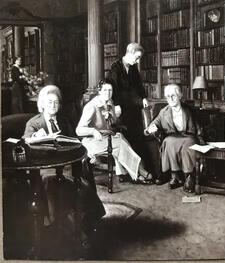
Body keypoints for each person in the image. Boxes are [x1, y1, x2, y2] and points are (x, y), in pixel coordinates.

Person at [23, 85, 105, 246]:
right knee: (52, 181)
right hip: (45, 167)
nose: (53, 105)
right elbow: (25, 141)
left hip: (67, 164)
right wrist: (34, 136)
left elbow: (75, 141)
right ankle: (60, 226)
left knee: (80, 181)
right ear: (42, 105)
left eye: (56, 102)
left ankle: (84, 221)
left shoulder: (64, 120)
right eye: (50, 102)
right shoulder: (34, 123)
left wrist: (86, 153)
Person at [76, 78, 153, 184]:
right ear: (99, 91)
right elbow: (79, 130)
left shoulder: (110, 103)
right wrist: (93, 131)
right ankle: (140, 172)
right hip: (92, 141)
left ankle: (124, 173)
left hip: (105, 138)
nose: (108, 93)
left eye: (110, 90)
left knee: (122, 138)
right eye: (105, 90)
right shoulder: (91, 106)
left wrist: (114, 119)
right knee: (120, 143)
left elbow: (111, 124)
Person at [108, 42, 160, 181]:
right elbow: (113, 88)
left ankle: (141, 171)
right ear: (129, 53)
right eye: (136, 57)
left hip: (133, 106)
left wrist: (143, 98)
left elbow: (138, 85)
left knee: (138, 137)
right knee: (127, 139)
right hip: (122, 108)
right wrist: (117, 104)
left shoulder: (133, 68)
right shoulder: (116, 67)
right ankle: (129, 173)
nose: (137, 61)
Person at [145, 84, 205, 193]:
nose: (170, 99)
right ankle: (175, 175)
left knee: (188, 143)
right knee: (169, 141)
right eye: (168, 96)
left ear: (180, 96)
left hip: (189, 136)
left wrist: (201, 139)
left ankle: (189, 176)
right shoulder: (164, 112)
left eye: (173, 95)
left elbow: (198, 127)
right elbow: (152, 125)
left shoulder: (189, 110)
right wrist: (150, 129)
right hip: (172, 137)